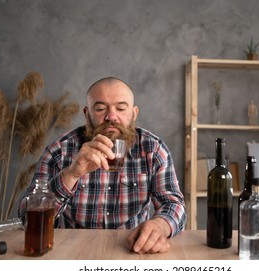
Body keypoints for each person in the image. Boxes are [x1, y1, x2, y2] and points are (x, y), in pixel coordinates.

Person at [18, 77, 186, 254]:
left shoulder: (153, 149)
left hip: (132, 250)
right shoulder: (59, 150)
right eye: (100, 108)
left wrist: (160, 225)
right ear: (86, 113)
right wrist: (71, 174)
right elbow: (25, 220)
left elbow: (174, 204)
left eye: (121, 108)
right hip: (71, 251)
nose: (111, 117)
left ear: (134, 113)